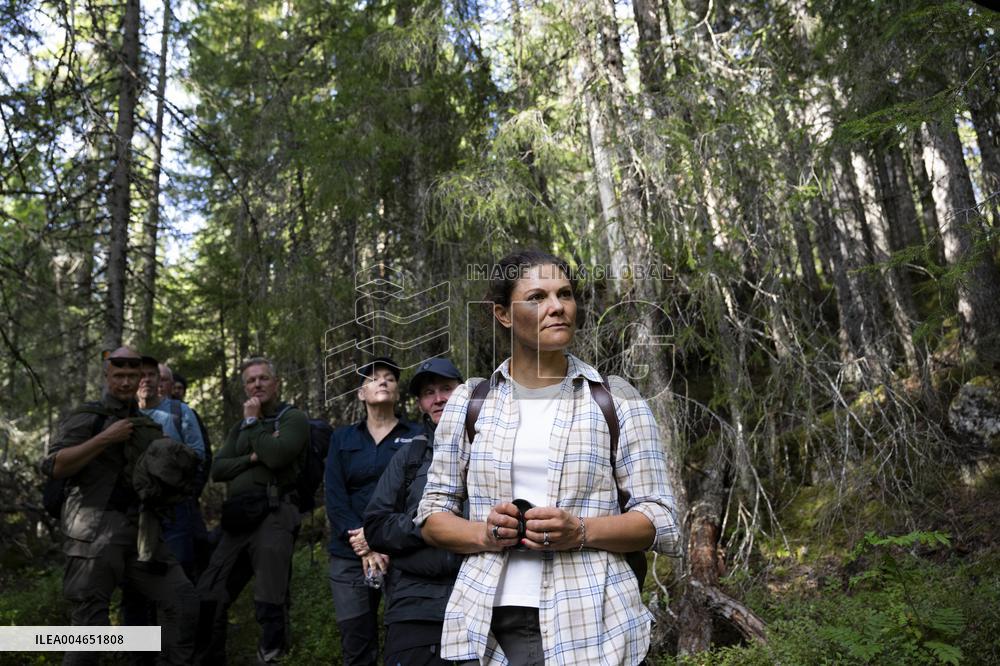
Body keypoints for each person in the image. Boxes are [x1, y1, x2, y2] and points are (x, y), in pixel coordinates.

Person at [416, 250, 680, 665]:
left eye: (565, 294)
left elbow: (661, 518)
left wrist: (580, 530)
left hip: (596, 622)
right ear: (503, 314)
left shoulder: (616, 399)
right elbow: (432, 514)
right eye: (537, 297)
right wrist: (485, 536)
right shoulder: (470, 401)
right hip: (488, 623)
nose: (557, 307)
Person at [41, 347, 198, 665]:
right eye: (119, 376)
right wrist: (105, 439)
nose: (125, 383)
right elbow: (54, 465)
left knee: (182, 599)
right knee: (89, 633)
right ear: (107, 377)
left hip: (143, 534)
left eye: (132, 376)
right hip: (93, 534)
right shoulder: (89, 417)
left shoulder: (146, 426)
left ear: (141, 378)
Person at [196, 357, 309, 664]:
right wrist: (251, 458)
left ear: (276, 382)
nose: (256, 384)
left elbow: (278, 455)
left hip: (275, 513)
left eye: (263, 378)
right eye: (250, 381)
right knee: (209, 592)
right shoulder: (239, 427)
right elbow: (218, 469)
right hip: (237, 518)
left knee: (269, 598)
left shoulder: (293, 418)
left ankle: (271, 657)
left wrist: (253, 424)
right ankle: (209, 657)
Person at [363, 358, 464, 666]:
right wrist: (430, 525)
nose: (438, 398)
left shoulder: (496, 449)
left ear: (464, 393)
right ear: (421, 403)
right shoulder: (411, 455)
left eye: (446, 388)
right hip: (414, 610)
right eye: (429, 393)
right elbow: (377, 525)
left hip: (479, 603)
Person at [325, 357, 421, 666]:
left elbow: (416, 497)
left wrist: (380, 538)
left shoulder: (417, 436)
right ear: (360, 393)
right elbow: (335, 495)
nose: (382, 381)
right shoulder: (342, 439)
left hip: (402, 552)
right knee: (356, 642)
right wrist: (362, 541)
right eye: (373, 378)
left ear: (396, 391)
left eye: (390, 378)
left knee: (406, 642)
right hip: (349, 554)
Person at [137, 356, 206, 578]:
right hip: (135, 511)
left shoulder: (179, 412)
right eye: (141, 375)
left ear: (160, 380)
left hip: (175, 510)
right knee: (138, 577)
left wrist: (170, 451)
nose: (146, 380)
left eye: (151, 375)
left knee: (179, 570)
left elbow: (200, 455)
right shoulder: (126, 415)